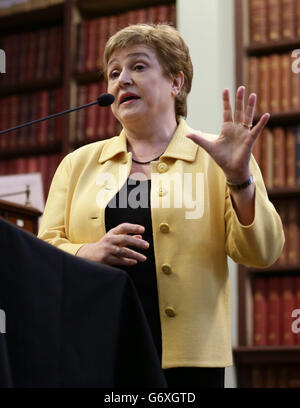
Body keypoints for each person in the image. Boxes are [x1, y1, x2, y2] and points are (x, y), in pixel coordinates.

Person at [38, 24, 284, 388]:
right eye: (114, 73)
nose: (123, 80)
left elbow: (262, 253)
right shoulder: (77, 164)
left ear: (176, 83)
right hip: (95, 352)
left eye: (138, 67)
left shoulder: (221, 158)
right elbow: (41, 253)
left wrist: (239, 180)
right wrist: (87, 252)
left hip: (190, 365)